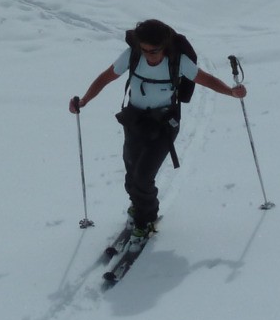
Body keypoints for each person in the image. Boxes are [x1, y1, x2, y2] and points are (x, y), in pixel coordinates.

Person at [69, 19, 246, 237]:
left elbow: (206, 80)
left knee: (143, 176)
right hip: (134, 121)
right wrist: (84, 100)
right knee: (132, 173)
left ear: (165, 46)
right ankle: (138, 206)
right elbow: (106, 78)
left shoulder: (178, 62)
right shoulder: (132, 56)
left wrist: (231, 92)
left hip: (164, 125)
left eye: (153, 51)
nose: (148, 55)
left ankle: (147, 219)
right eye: (144, 50)